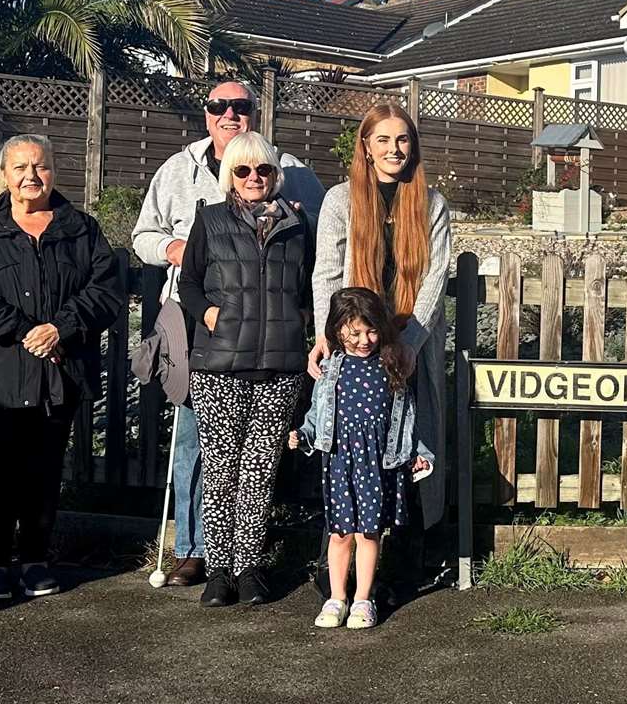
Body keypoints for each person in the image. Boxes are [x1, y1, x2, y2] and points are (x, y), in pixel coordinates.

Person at [131, 78, 324, 588]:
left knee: (258, 456)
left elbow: (318, 248)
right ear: (206, 112)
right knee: (198, 443)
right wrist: (179, 250)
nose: (230, 113)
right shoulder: (178, 170)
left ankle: (244, 560)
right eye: (220, 105)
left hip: (270, 339)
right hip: (199, 327)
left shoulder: (293, 172)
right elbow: (142, 236)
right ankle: (196, 550)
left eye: (241, 106)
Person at [0, 134, 124, 602]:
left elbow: (105, 291)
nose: (31, 176)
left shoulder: (81, 229)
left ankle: (36, 559)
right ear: (4, 176)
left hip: (57, 371)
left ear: (54, 171)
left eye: (40, 167)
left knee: (45, 470)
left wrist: (60, 327)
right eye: (20, 168)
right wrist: (28, 330)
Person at [310, 102, 452, 599]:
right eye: (384, 141)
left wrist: (411, 342)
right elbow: (327, 274)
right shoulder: (339, 201)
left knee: (410, 448)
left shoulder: (431, 203)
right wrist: (324, 336)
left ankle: (404, 562)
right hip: (356, 348)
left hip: (410, 346)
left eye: (403, 140)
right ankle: (338, 573)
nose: (395, 150)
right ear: (366, 149)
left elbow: (434, 277)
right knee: (351, 450)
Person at [177, 132, 313, 608]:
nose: (254, 178)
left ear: (275, 175)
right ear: (229, 175)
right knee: (220, 470)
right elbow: (189, 281)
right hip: (219, 365)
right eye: (243, 170)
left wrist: (304, 322)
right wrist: (209, 315)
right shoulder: (209, 220)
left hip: (279, 365)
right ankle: (218, 571)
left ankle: (249, 566)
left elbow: (310, 285)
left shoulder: (297, 224)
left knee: (259, 471)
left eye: (263, 170)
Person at [291, 287, 434, 630]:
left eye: (372, 331)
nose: (364, 340)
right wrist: (305, 435)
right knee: (340, 533)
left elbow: (407, 418)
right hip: (340, 460)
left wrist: (417, 453)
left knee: (369, 533)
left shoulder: (390, 365)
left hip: (376, 462)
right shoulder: (331, 367)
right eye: (355, 333)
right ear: (337, 329)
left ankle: (362, 599)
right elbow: (318, 413)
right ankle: (336, 597)